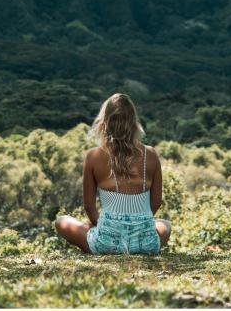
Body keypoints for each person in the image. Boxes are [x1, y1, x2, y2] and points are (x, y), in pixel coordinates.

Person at [55, 92, 171, 254]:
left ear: (104, 122)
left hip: (106, 243)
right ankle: (137, 244)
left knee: (62, 221)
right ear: (134, 122)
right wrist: (136, 225)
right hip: (145, 243)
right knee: (165, 224)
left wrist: (109, 228)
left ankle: (105, 241)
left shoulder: (94, 156)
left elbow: (89, 207)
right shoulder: (150, 154)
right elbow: (156, 202)